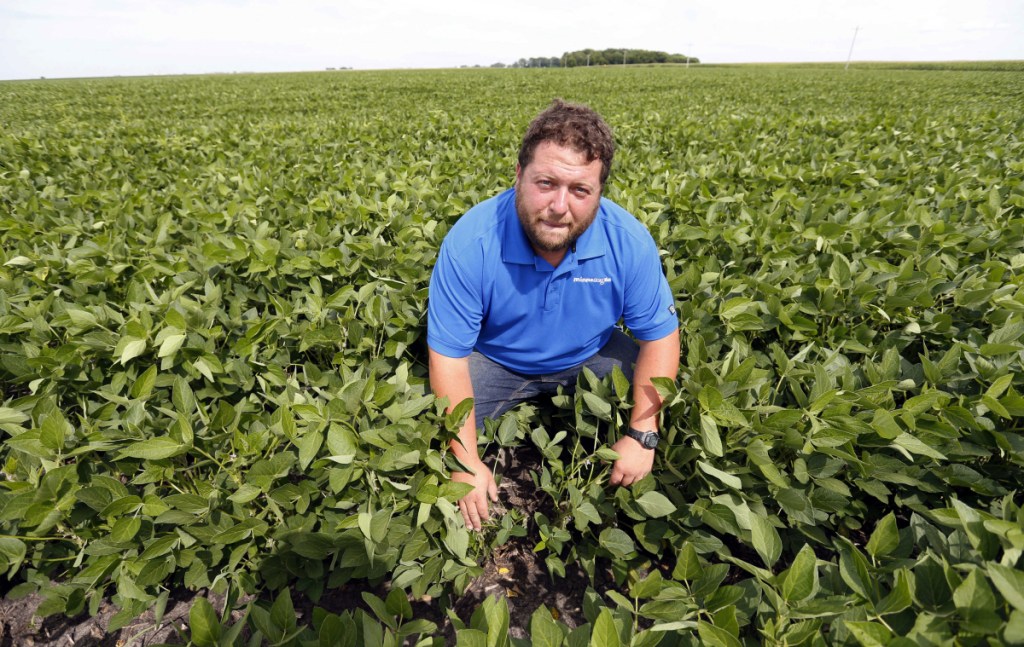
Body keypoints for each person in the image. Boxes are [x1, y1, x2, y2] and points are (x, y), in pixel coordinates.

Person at [427, 100, 680, 531]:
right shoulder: (472, 241)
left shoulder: (629, 243)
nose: (560, 206)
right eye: (546, 183)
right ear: (518, 176)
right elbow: (448, 357)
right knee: (433, 441)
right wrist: (466, 464)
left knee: (665, 406)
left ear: (600, 193)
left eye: (580, 190)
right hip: (493, 361)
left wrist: (643, 434)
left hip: (590, 354)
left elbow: (661, 337)